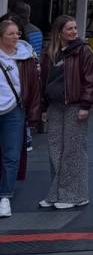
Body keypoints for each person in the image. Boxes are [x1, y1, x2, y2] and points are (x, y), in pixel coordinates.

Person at [38, 15, 93, 210]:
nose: (74, 32)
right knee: (55, 149)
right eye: (70, 29)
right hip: (55, 105)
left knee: (73, 151)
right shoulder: (50, 53)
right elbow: (43, 82)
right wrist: (44, 107)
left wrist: (85, 105)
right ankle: (57, 192)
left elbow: (92, 80)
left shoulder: (83, 51)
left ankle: (75, 195)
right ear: (59, 32)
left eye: (75, 28)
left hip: (74, 105)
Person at [0, 18, 42, 217]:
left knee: (12, 155)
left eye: (17, 33)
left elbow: (34, 86)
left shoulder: (26, 57)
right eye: (11, 34)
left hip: (15, 110)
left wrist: (35, 113)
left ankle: (5, 196)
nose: (16, 37)